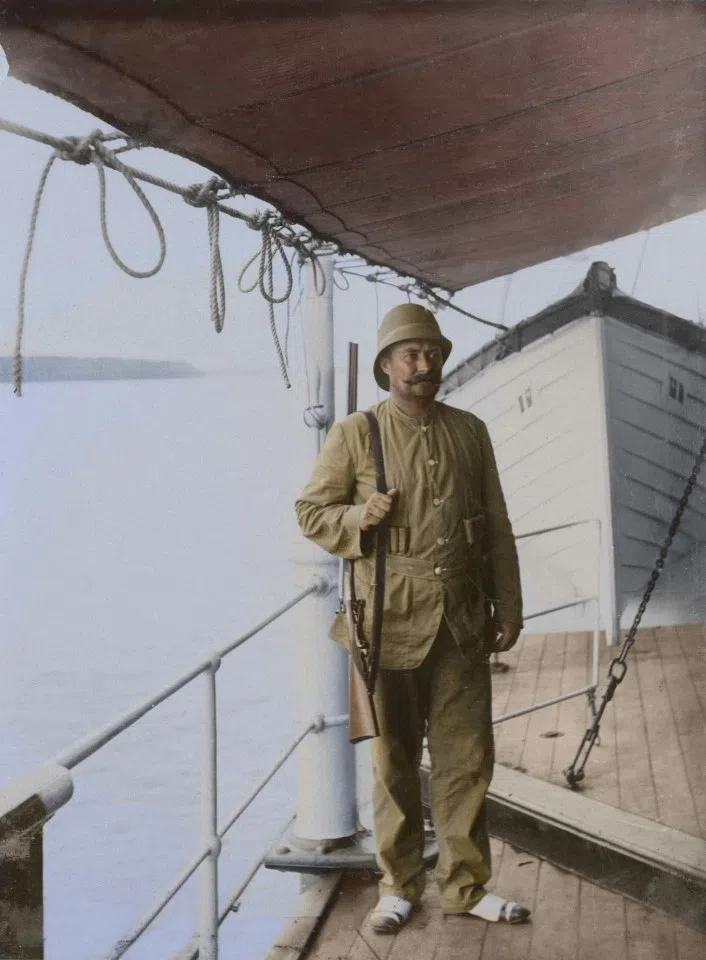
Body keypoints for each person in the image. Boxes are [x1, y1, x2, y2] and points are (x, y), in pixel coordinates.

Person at [295, 303, 530, 931]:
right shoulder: (355, 433)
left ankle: (466, 887)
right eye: (410, 355)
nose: (423, 365)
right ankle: (397, 886)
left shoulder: (470, 430)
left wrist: (509, 604)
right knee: (394, 762)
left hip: (461, 623)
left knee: (468, 759)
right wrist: (356, 519)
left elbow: (498, 526)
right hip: (387, 625)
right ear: (386, 365)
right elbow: (311, 512)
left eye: (432, 354)